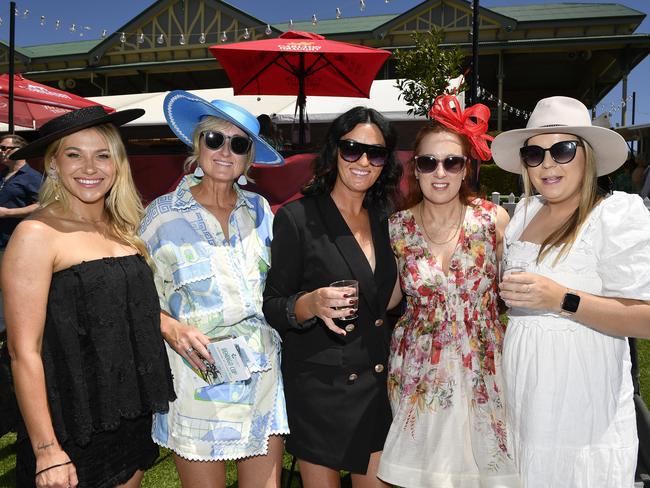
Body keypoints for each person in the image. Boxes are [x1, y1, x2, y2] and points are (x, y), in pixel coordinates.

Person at [2, 105, 176, 488]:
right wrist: (47, 450)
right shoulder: (36, 235)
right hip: (70, 423)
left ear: (117, 164)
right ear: (52, 165)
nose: (90, 168)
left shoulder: (123, 227)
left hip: (129, 414)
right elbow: (23, 351)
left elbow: (121, 309)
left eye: (102, 155)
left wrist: (172, 327)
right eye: (74, 155)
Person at [492, 96, 650, 487]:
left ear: (588, 155)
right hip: (525, 394)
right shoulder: (523, 214)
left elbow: (645, 319)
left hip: (583, 401)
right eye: (535, 153)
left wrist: (562, 299)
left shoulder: (615, 214)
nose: (548, 164)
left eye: (563, 150)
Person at [139, 90, 289, 488]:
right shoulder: (160, 217)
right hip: (195, 381)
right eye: (214, 139)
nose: (225, 151)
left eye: (238, 144)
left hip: (262, 377)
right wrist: (170, 327)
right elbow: (132, 297)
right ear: (197, 144)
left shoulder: (262, 213)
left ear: (249, 159)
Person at [377, 95, 519, 487]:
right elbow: (387, 299)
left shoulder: (494, 221)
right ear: (416, 170)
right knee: (422, 474)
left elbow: (518, 285)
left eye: (451, 162)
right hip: (418, 367)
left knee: (486, 473)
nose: (440, 172)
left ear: (465, 169)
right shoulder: (397, 227)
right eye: (428, 162)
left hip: (485, 362)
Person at [263, 106, 402, 488]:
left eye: (375, 153)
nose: (362, 161)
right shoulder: (297, 218)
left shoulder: (387, 217)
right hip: (320, 386)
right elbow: (273, 304)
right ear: (334, 151)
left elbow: (387, 301)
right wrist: (309, 304)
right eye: (352, 148)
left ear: (385, 162)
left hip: (375, 382)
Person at [0, 133, 42, 333]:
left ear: (21, 151)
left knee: (8, 287)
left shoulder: (32, 177)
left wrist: (8, 212)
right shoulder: (3, 174)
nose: (2, 152)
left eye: (6, 148)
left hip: (15, 241)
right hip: (1, 239)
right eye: (0, 148)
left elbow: (44, 205)